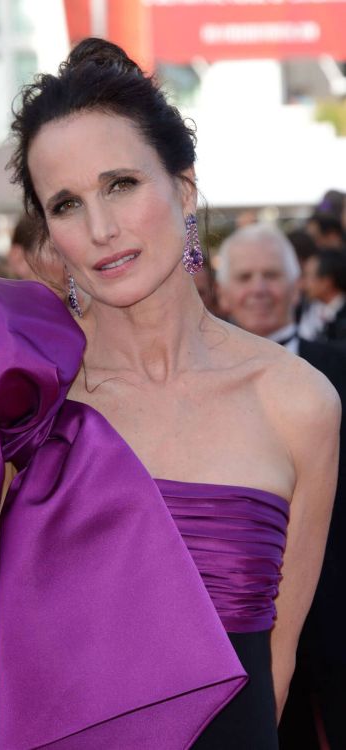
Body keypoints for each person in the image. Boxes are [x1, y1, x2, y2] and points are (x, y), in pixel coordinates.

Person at [0, 40, 340, 750]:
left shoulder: (298, 402)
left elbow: (279, 658)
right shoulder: (11, 400)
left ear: (183, 188)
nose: (103, 228)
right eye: (68, 203)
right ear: (49, 230)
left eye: (121, 184)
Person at [216, 223, 346, 750]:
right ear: (222, 293)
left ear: (297, 286)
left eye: (272, 275)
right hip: (241, 624)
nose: (259, 288)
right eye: (245, 277)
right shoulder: (192, 390)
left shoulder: (341, 369)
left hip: (338, 609)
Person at [301, 249, 346, 342]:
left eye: (308, 276)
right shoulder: (302, 309)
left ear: (326, 282)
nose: (303, 284)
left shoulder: (342, 320)